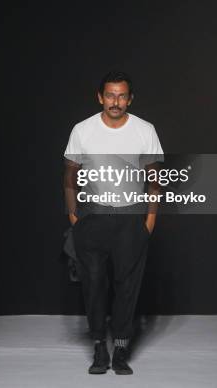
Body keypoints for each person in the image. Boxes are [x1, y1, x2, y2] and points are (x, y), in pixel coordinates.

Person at [63, 71, 164, 375]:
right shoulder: (82, 130)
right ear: (100, 97)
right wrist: (73, 216)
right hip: (92, 218)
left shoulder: (145, 130)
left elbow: (154, 180)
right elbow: (69, 176)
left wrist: (150, 220)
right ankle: (98, 349)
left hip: (131, 218)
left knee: (127, 287)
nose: (115, 101)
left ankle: (120, 350)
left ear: (130, 99)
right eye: (110, 95)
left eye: (121, 95)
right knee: (94, 286)